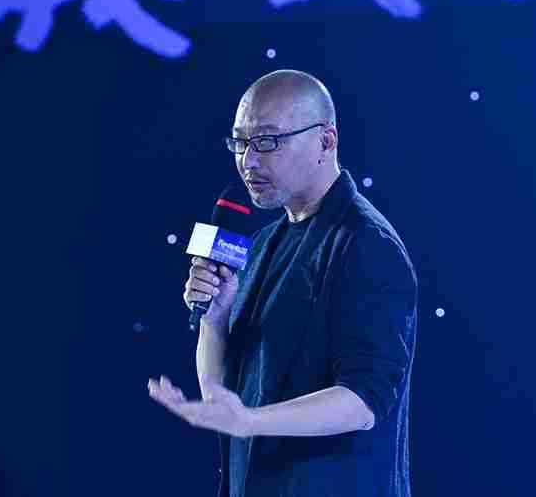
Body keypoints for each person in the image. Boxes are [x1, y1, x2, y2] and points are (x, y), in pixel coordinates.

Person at [148, 69, 418, 497]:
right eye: (240, 143)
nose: (249, 161)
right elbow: (223, 397)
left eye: (268, 142)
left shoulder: (366, 244)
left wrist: (253, 421)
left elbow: (365, 400)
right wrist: (214, 319)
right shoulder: (260, 243)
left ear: (326, 141)